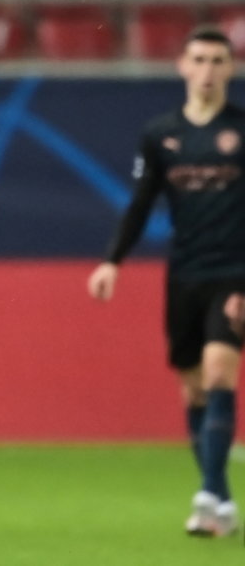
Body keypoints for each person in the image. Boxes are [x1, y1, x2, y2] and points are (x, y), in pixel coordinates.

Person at [87, 26, 244, 538]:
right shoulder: (161, 135)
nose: (207, 70)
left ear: (229, 68)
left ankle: (208, 496)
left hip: (233, 274)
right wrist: (113, 261)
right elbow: (140, 204)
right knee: (194, 389)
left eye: (218, 60)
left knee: (221, 373)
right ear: (182, 65)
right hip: (184, 275)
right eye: (198, 59)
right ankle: (218, 497)